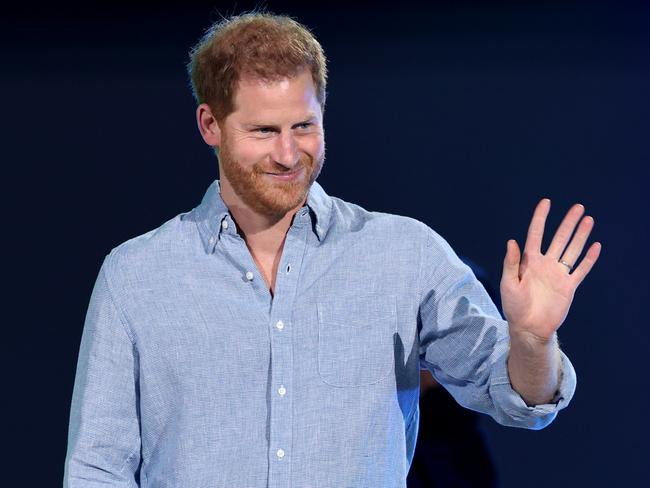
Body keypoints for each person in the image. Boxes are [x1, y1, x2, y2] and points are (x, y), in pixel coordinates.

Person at [63, 12, 601, 488]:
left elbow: (518, 399)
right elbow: (98, 468)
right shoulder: (136, 276)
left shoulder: (404, 255)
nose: (287, 153)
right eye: (263, 130)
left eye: (304, 126)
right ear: (211, 125)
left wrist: (532, 341)